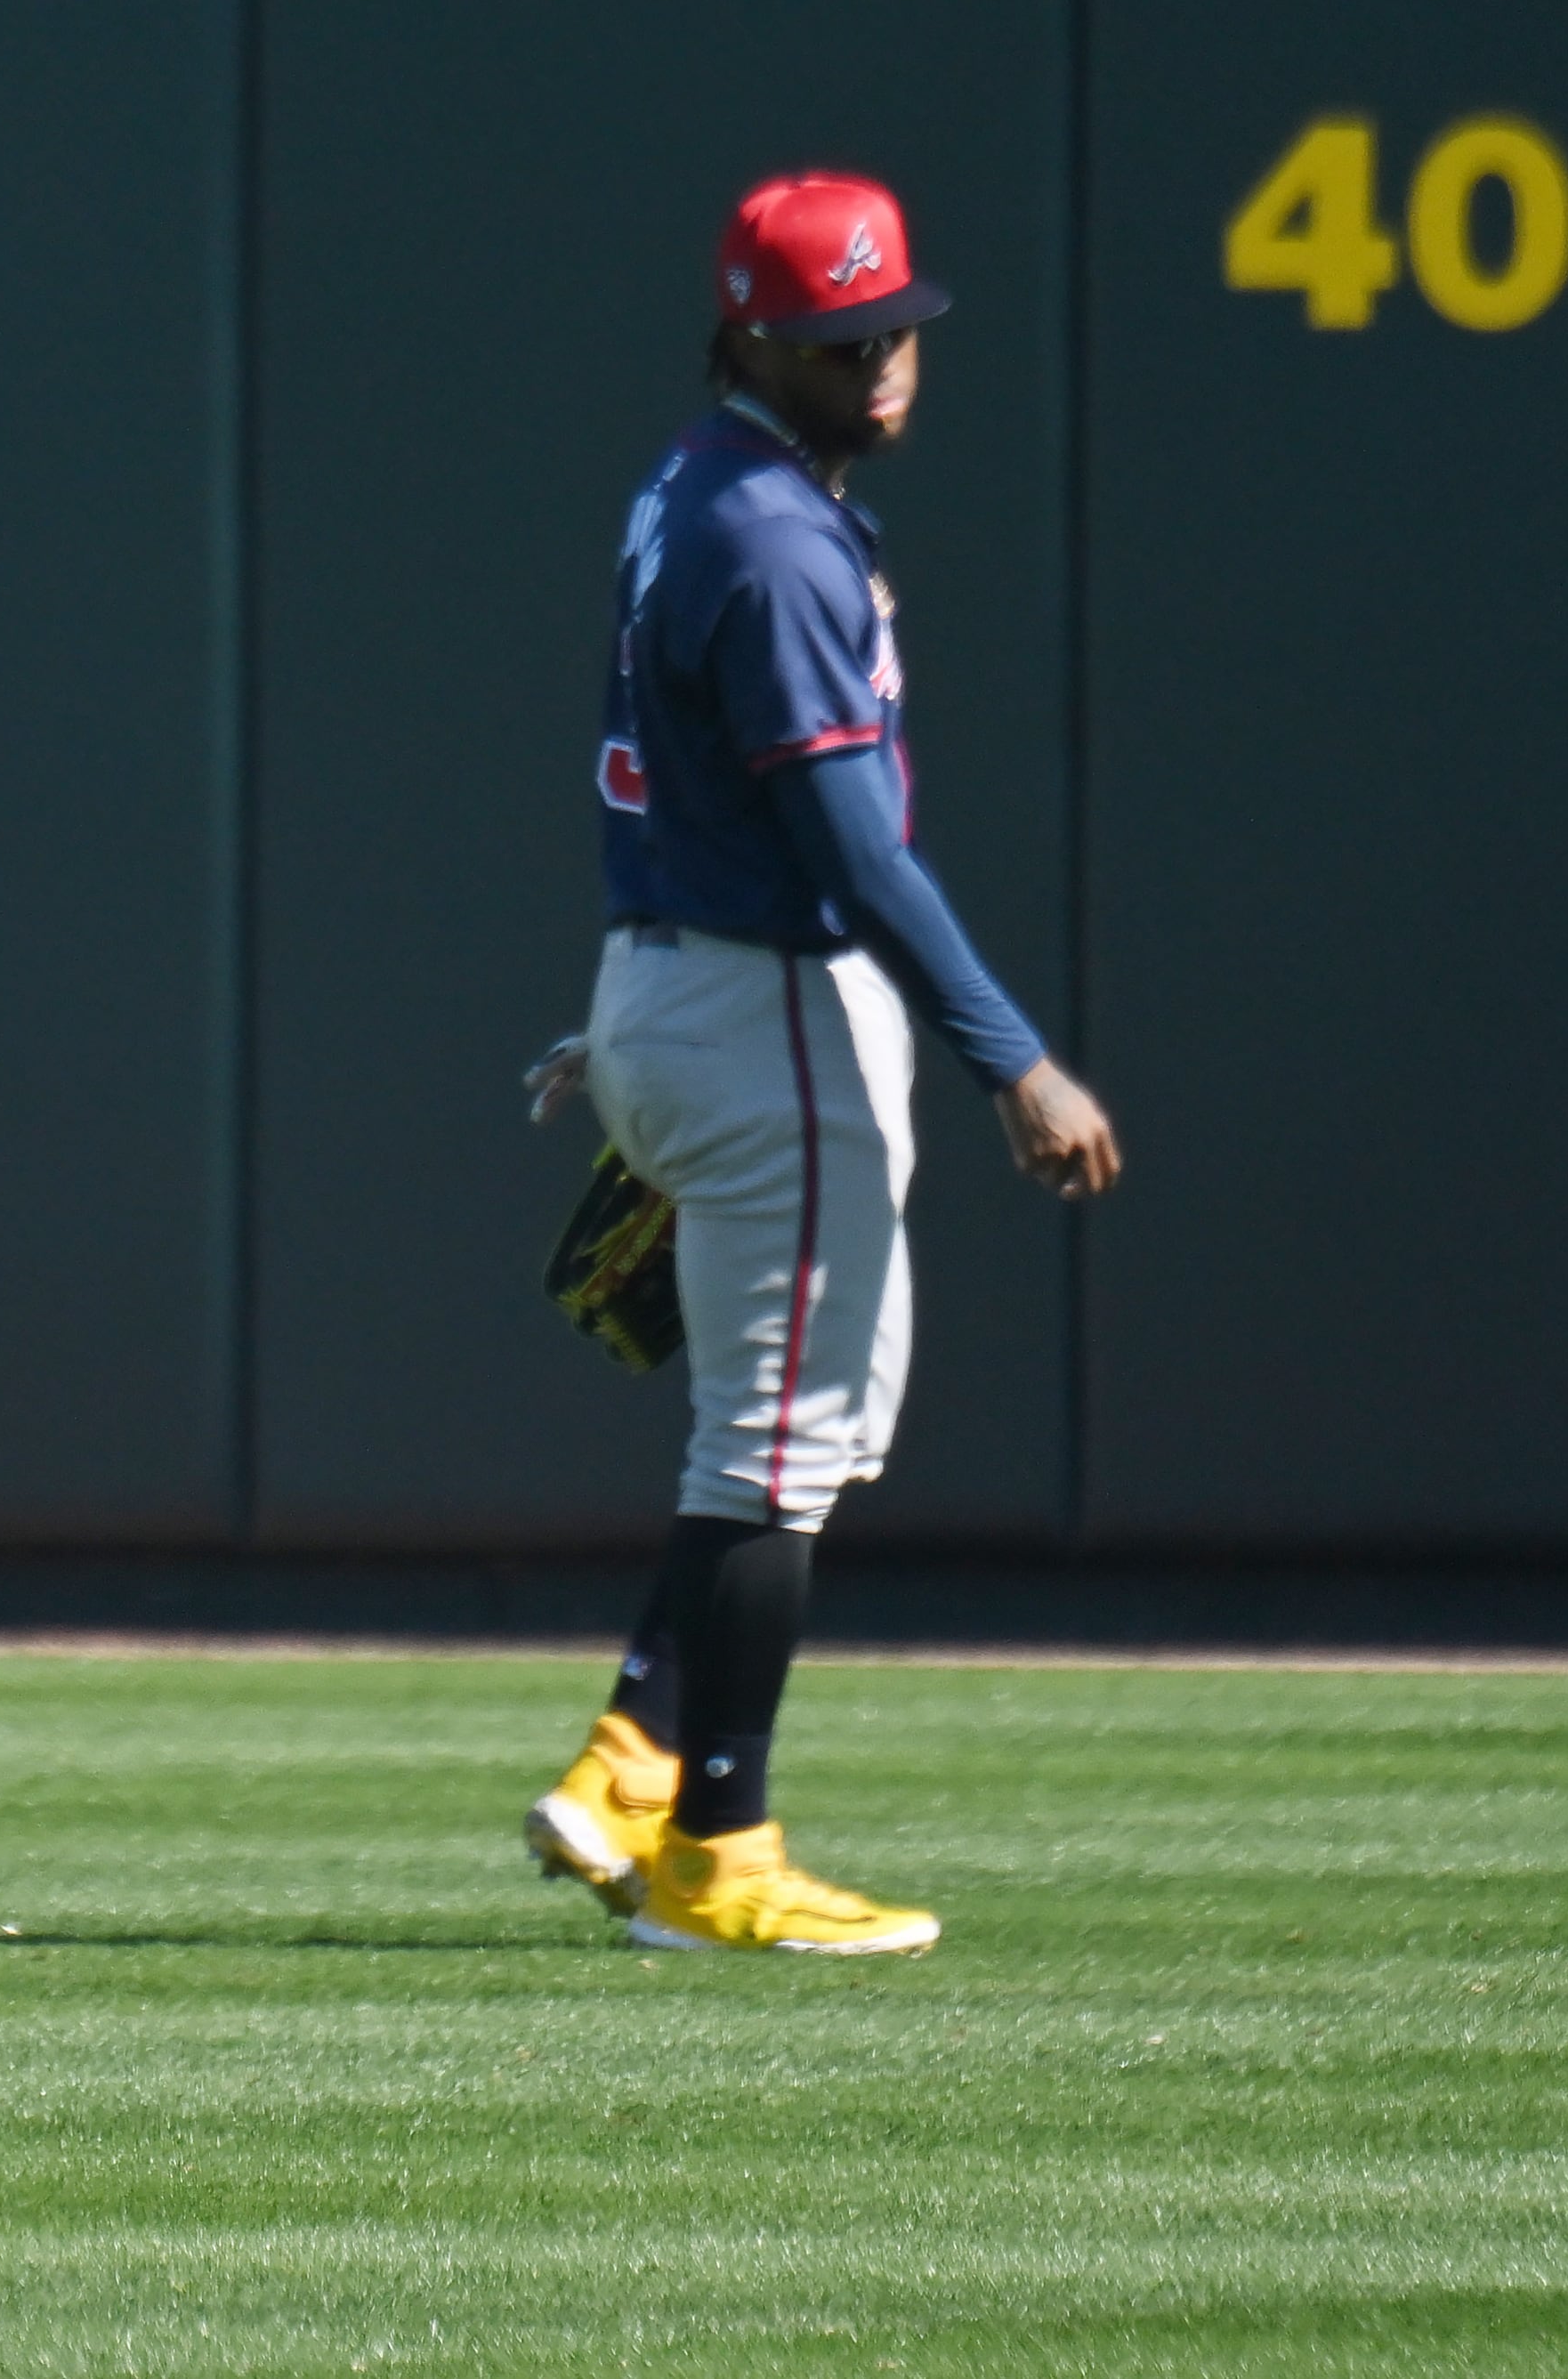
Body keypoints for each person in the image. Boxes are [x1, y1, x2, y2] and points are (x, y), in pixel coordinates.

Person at [521, 176, 1119, 1954]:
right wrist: (1015, 1057)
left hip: (675, 978)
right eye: (844, 337)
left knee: (765, 1437)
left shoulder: (698, 480)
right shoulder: (776, 537)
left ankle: (636, 1752)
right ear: (754, 338)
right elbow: (855, 849)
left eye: (897, 328)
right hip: (765, 996)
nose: (885, 362)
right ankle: (721, 1849)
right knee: (782, 1444)